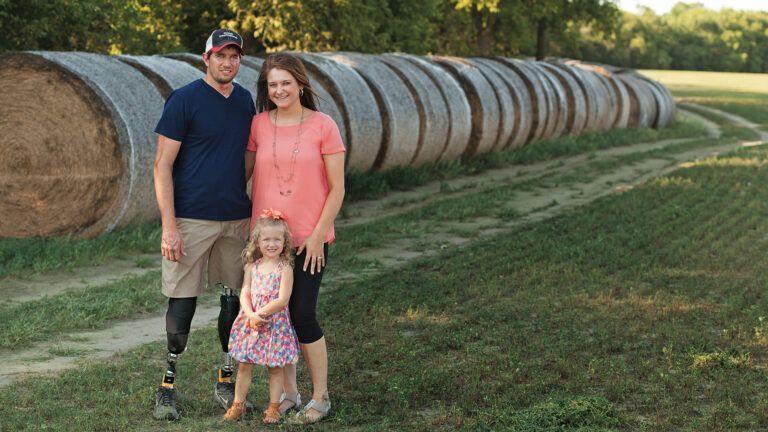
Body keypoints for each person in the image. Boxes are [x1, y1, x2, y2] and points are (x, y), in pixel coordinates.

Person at [152, 28, 255, 421]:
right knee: (183, 301)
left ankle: (226, 379)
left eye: (234, 56)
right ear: (206, 58)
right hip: (190, 219)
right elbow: (162, 165)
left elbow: (247, 158)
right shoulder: (184, 100)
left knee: (236, 300)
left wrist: (232, 191)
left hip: (235, 218)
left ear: (239, 60)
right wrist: (169, 226)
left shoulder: (245, 101)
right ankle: (167, 387)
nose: (227, 63)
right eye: (220, 56)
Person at [246, 52, 345, 424]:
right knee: (277, 318)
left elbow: (337, 189)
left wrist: (319, 235)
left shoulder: (323, 125)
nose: (279, 90)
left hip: (308, 239)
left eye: (286, 82)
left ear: (300, 83)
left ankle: (321, 397)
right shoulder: (258, 125)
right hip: (266, 243)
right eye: (272, 84)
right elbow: (242, 174)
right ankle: (289, 393)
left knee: (302, 315)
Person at [222, 209, 299, 424]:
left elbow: (282, 300)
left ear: (285, 242)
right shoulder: (252, 267)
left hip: (274, 324)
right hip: (251, 323)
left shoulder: (285, 269)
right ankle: (238, 404)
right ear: (257, 241)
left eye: (277, 239)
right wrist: (249, 314)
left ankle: (273, 407)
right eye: (266, 239)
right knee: (245, 365)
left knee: (275, 368)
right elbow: (245, 292)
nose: (271, 244)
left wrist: (260, 314)